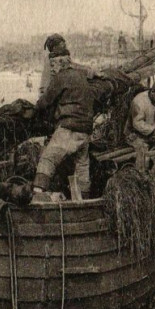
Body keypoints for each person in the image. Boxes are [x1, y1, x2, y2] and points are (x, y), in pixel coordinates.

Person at [32, 49, 110, 200]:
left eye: (52, 65)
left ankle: (37, 195)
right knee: (82, 166)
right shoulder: (81, 75)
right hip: (85, 130)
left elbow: (45, 101)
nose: (52, 69)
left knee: (48, 159)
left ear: (60, 63)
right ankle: (85, 200)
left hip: (69, 128)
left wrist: (35, 108)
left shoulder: (61, 77)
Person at [124, 81, 155, 171]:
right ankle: (141, 176)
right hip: (135, 135)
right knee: (143, 153)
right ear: (153, 92)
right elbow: (137, 124)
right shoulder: (139, 101)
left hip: (151, 134)